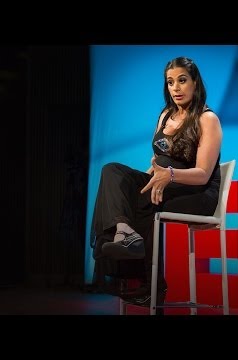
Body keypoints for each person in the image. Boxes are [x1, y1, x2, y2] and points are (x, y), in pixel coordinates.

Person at [91, 56, 223, 307]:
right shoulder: (165, 115)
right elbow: (157, 160)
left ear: (195, 82)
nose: (176, 87)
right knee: (113, 172)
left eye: (182, 81)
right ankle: (124, 232)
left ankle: (152, 287)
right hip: (165, 184)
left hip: (197, 193)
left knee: (150, 204)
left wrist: (169, 174)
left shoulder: (208, 119)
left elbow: (203, 173)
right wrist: (140, 182)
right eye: (171, 82)